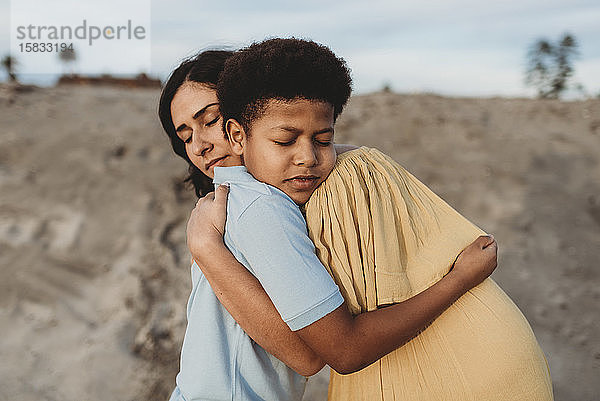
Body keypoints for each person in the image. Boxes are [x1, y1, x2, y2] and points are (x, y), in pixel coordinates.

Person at [159, 39, 502, 401]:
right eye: (185, 136)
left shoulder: (239, 205)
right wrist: (460, 278)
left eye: (208, 120)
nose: (198, 145)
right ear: (240, 130)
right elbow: (322, 354)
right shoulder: (257, 207)